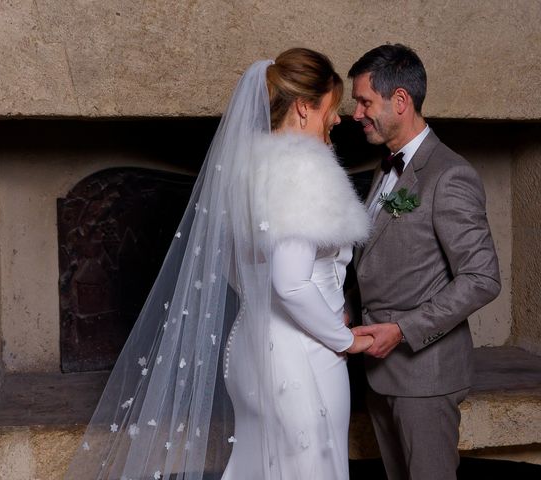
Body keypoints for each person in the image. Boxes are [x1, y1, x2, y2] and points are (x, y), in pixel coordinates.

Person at [65, 48, 371, 480]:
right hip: (301, 354)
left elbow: (233, 268)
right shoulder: (305, 170)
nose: (337, 119)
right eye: (331, 107)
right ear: (304, 108)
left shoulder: (242, 168)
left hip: (248, 347)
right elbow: (290, 283)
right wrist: (344, 339)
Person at [348, 44, 501, 480]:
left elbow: (482, 278)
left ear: (400, 100)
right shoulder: (386, 167)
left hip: (425, 378)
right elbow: (383, 256)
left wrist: (401, 331)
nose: (356, 114)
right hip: (380, 371)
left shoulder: (450, 175)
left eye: (364, 102)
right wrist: (350, 304)